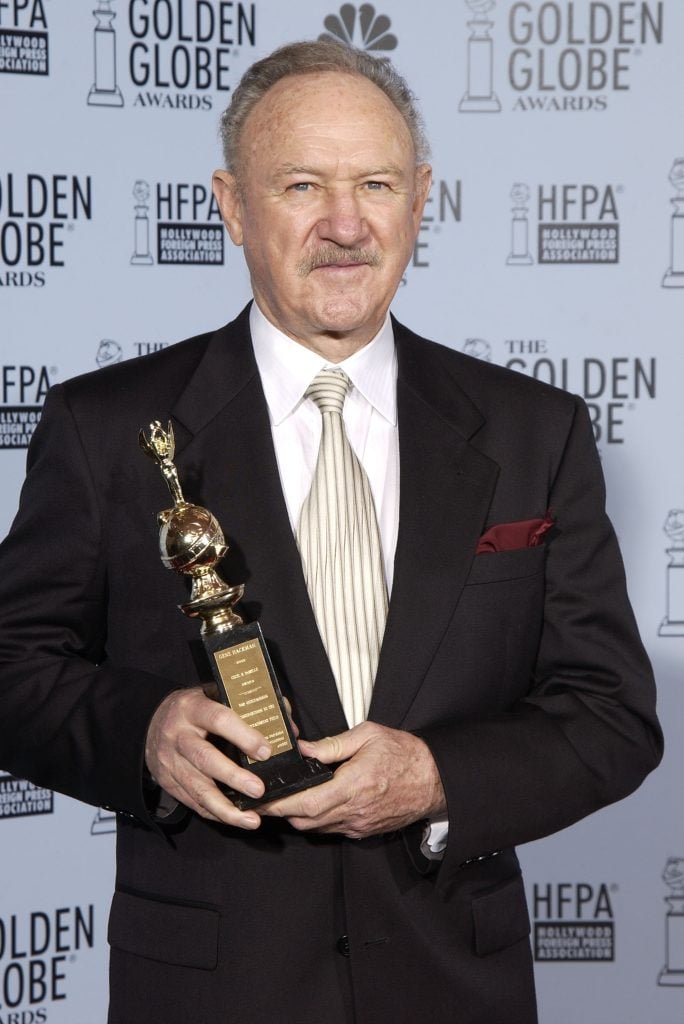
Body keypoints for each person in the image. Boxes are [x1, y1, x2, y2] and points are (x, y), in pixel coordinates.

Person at [0, 39, 662, 1024]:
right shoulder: (109, 429)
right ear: (231, 205)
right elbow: (13, 666)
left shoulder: (536, 431)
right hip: (213, 990)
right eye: (302, 184)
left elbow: (610, 716)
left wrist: (437, 779)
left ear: (421, 198)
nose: (346, 225)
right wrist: (145, 731)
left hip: (456, 987)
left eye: (377, 184)